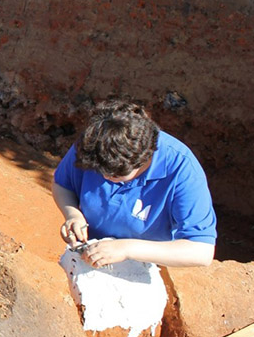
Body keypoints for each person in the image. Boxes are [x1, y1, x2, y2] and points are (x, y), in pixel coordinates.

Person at [52, 99, 216, 268]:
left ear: (144, 160)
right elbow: (62, 184)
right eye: (98, 171)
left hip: (146, 264)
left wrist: (126, 248)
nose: (104, 178)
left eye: (114, 175)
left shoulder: (181, 169)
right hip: (92, 256)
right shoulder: (95, 142)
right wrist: (73, 214)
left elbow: (201, 251)